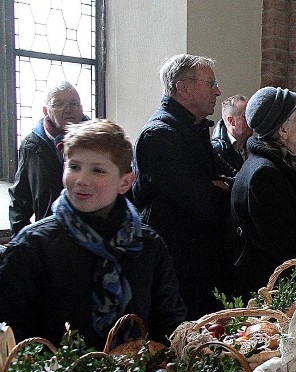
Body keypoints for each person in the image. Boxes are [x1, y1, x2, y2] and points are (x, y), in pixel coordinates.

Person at [0, 119, 186, 347]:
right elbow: (13, 335)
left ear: (125, 182)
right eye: (74, 166)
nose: (81, 180)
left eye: (97, 170)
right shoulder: (33, 246)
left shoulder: (147, 244)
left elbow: (169, 321)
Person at [132, 54, 231, 319]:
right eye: (210, 84)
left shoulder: (191, 128)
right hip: (178, 263)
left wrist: (221, 185)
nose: (218, 91)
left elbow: (229, 179)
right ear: (183, 87)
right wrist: (215, 188)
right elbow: (204, 203)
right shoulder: (160, 135)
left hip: (199, 260)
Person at [231, 87, 296, 300]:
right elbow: (288, 248)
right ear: (283, 130)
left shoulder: (276, 166)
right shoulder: (264, 175)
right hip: (272, 293)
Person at [8, 81, 88, 236]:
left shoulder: (99, 142)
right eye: (58, 104)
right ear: (46, 111)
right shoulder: (33, 145)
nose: (67, 109)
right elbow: (20, 200)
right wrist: (23, 241)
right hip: (49, 238)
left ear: (81, 108)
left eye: (73, 103)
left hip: (92, 235)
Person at [211, 94, 252, 178]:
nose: (251, 119)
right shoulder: (217, 150)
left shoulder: (254, 147)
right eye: (246, 116)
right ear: (231, 121)